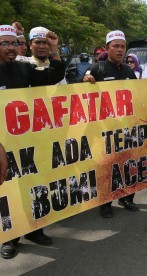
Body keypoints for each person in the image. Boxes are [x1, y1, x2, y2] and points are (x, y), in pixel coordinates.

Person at [0, 24, 65, 259]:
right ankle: (9, 238)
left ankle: (35, 230)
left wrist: (55, 50)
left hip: (27, 143)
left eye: (13, 43)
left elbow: (54, 75)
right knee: (8, 193)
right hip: (2, 147)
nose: (10, 47)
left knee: (34, 186)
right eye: (4, 43)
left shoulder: (23, 68)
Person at [82, 30, 140, 218]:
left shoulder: (128, 71)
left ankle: (126, 198)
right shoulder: (97, 69)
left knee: (127, 163)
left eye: (123, 46)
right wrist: (84, 80)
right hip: (104, 131)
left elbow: (138, 96)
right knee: (107, 167)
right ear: (107, 48)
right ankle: (106, 203)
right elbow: (79, 92)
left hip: (125, 129)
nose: (120, 50)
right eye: (116, 46)